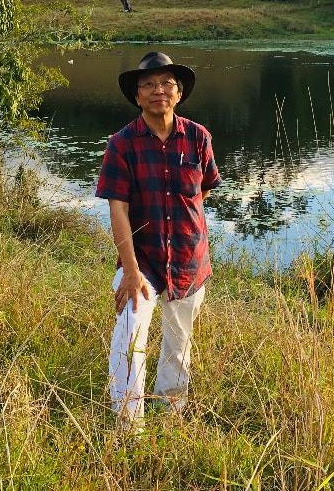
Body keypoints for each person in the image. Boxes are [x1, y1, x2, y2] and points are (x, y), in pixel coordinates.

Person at [95, 51, 221, 433]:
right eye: (148, 85)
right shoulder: (122, 144)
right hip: (143, 262)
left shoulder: (198, 137)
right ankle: (128, 425)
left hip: (188, 260)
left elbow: (205, 190)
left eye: (166, 83)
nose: (158, 91)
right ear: (137, 96)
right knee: (130, 336)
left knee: (178, 345)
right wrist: (130, 272)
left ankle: (171, 415)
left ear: (178, 93)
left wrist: (187, 225)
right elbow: (118, 210)